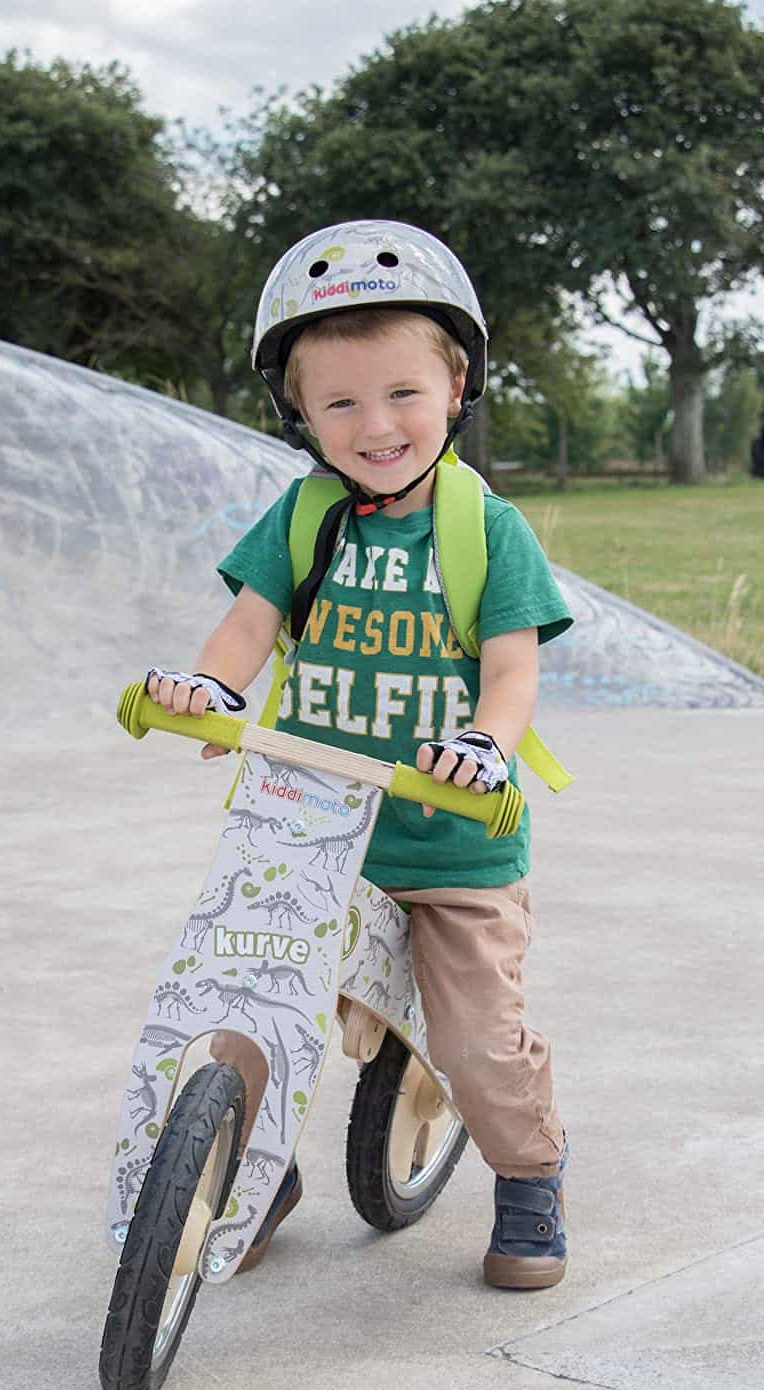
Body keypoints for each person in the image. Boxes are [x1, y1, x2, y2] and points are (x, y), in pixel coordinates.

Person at [147, 221, 573, 1289]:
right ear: (300, 413)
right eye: (339, 403)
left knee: (478, 1045)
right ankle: (257, 1167)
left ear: (455, 386)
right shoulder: (305, 516)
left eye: (401, 396)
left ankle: (529, 1173)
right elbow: (249, 625)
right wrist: (209, 686)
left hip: (447, 844)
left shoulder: (487, 529)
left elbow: (511, 675)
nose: (374, 426)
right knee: (249, 1005)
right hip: (317, 821)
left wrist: (484, 741)